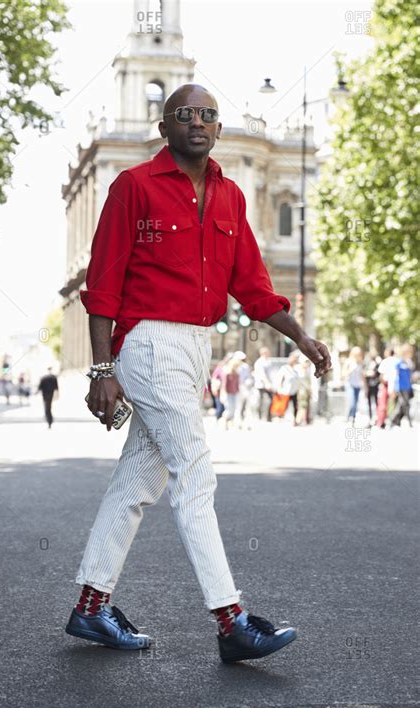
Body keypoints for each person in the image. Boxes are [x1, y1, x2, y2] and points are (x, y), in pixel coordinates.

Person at [66, 83, 331, 664]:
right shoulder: (133, 187)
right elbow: (103, 285)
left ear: (217, 128)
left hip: (195, 348)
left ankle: (90, 607)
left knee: (139, 481)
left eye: (209, 115)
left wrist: (303, 338)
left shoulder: (232, 198)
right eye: (185, 114)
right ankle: (231, 620)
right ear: (165, 127)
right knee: (195, 475)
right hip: (149, 345)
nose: (199, 122)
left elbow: (254, 291)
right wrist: (102, 368)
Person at [390, 344, 414, 428]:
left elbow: (410, 376)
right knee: (405, 404)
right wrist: (393, 388)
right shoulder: (398, 362)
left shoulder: (409, 362)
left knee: (401, 405)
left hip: (407, 387)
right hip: (401, 387)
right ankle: (409, 422)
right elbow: (395, 376)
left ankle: (394, 421)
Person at [274, 353, 300, 424]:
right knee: (283, 405)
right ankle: (279, 417)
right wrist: (279, 389)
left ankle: (294, 420)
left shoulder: (295, 370)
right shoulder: (284, 368)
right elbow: (279, 379)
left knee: (295, 406)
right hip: (285, 391)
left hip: (294, 391)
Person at [376, 347, 398, 428]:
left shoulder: (385, 361)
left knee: (383, 404)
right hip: (395, 385)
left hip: (386, 384)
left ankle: (381, 422)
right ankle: (392, 421)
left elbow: (381, 375)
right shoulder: (397, 361)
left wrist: (382, 383)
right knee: (393, 404)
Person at [343, 346, 364, 425]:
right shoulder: (348, 361)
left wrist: (365, 386)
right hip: (350, 384)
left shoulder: (361, 362)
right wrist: (350, 370)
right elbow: (343, 374)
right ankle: (348, 417)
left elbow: (362, 375)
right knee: (351, 402)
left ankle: (352, 418)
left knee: (355, 403)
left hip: (357, 385)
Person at [253, 347, 274, 421]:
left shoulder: (268, 361)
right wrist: (267, 383)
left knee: (271, 400)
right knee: (261, 400)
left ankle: (268, 416)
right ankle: (259, 415)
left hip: (268, 384)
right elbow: (262, 374)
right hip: (261, 384)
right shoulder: (259, 362)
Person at [364, 351, 380, 426]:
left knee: (376, 402)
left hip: (375, 386)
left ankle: (377, 417)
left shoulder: (377, 364)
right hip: (369, 386)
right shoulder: (367, 364)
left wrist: (374, 373)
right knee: (369, 402)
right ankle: (370, 418)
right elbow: (364, 374)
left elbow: (379, 374)